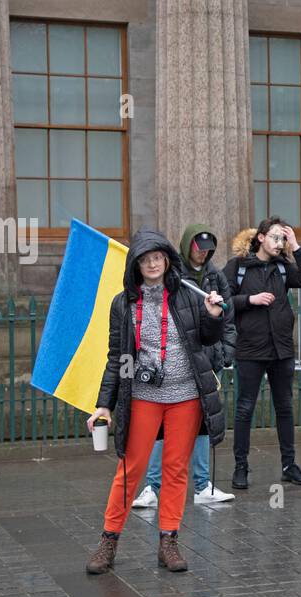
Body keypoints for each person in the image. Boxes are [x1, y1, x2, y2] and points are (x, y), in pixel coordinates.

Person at [86, 230, 227, 575]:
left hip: (185, 396)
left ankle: (169, 541)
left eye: (158, 257)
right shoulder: (123, 303)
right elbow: (116, 357)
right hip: (144, 397)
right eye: (145, 258)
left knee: (175, 469)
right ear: (135, 264)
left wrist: (212, 315)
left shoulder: (187, 295)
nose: (152, 263)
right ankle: (109, 540)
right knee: (130, 469)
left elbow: (207, 341)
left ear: (167, 260)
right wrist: (105, 403)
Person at [133, 224, 237, 508]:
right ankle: (152, 487)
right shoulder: (174, 280)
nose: (203, 254)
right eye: (198, 248)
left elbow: (226, 318)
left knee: (202, 423)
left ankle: (203, 485)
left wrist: (226, 351)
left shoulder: (216, 276)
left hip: (205, 361)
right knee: (159, 429)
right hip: (169, 367)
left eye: (208, 249)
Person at [223, 215, 301, 489]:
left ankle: (289, 464)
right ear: (261, 237)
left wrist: (297, 246)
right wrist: (250, 300)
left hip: (282, 349)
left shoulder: (284, 268)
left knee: (285, 407)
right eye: (275, 237)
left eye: (283, 238)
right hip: (250, 349)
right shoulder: (238, 267)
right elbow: (223, 301)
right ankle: (241, 466)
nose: (279, 243)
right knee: (244, 408)